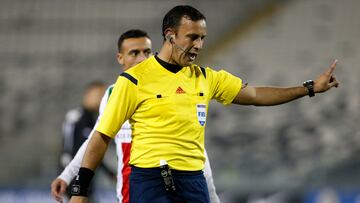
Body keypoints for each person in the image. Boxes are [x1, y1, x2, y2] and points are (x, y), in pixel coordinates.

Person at [69, 5, 339, 203]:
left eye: (202, 38)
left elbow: (256, 96)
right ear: (170, 35)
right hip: (150, 179)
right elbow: (101, 137)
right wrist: (80, 190)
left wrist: (309, 88)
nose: (198, 45)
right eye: (192, 37)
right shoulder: (134, 80)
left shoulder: (206, 78)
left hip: (193, 180)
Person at [51, 29, 220, 203]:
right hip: (129, 194)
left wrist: (212, 196)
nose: (141, 58)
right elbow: (95, 141)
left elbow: (192, 147)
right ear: (120, 58)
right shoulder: (112, 94)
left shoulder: (172, 90)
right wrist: (67, 175)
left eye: (146, 52)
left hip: (168, 191)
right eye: (134, 53)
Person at [56, 81, 115, 202]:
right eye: (99, 95)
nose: (101, 99)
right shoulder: (75, 117)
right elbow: (69, 150)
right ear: (88, 95)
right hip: (74, 178)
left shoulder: (95, 120)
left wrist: (109, 172)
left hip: (87, 176)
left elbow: (93, 151)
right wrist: (67, 176)